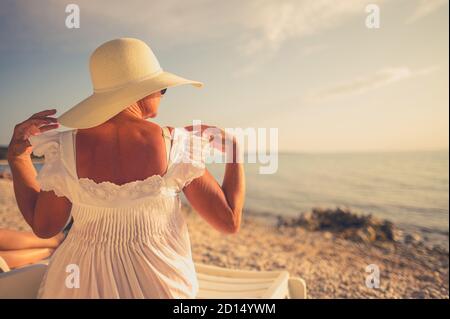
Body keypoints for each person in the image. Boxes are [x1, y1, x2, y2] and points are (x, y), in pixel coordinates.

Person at [6, 38, 245, 298]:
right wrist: (234, 153)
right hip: (162, 287)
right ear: (142, 91)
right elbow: (229, 222)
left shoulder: (64, 149)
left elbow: (44, 227)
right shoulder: (178, 146)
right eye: (162, 89)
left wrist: (18, 158)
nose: (162, 96)